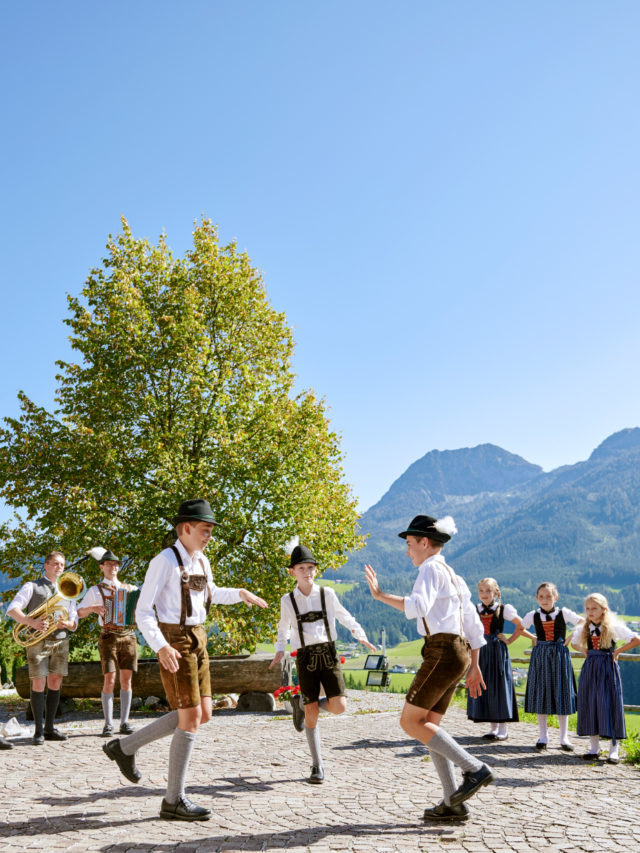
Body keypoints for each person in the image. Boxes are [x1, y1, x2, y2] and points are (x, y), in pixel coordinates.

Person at [102, 499, 267, 821]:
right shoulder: (163, 561)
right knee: (189, 717)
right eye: (205, 530)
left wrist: (240, 593)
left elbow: (210, 594)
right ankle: (173, 800)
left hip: (198, 638)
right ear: (186, 528)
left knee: (202, 714)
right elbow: (143, 611)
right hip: (174, 640)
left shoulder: (202, 561)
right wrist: (161, 646)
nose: (209, 536)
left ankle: (124, 748)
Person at [364, 514, 492, 823]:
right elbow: (473, 627)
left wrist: (380, 595)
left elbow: (418, 607)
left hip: (442, 651)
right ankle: (452, 802)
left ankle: (474, 769)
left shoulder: (430, 568)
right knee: (429, 725)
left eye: (409, 544)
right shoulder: (452, 573)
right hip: (458, 652)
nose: (407, 551)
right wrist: (474, 665)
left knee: (410, 722)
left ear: (424, 542)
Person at [269, 537, 376, 785]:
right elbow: (283, 628)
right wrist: (279, 649)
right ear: (292, 572)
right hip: (305, 657)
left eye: (311, 568)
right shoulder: (288, 600)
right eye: (301, 568)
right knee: (312, 712)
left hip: (328, 654)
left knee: (339, 706)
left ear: (316, 570)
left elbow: (344, 616)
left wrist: (360, 636)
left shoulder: (327, 594)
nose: (307, 572)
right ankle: (317, 765)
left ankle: (304, 706)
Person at [7, 551, 77, 745]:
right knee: (38, 684)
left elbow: (73, 616)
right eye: (55, 564)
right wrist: (31, 622)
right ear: (45, 565)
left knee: (55, 683)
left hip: (61, 640)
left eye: (62, 565)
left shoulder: (68, 589)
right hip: (38, 642)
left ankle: (49, 728)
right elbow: (13, 609)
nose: (59, 568)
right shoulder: (32, 586)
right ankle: (38, 731)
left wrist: (70, 624)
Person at [571, 593, 640, 763]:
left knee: (610, 704)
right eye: (587, 608)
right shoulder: (585, 627)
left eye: (594, 608)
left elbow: (636, 639)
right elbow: (573, 642)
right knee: (591, 703)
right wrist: (585, 651)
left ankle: (613, 750)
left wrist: (617, 652)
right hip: (590, 668)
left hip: (608, 668)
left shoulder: (613, 626)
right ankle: (594, 748)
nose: (590, 612)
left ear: (604, 609)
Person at [77, 549, 138, 736]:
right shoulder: (96, 590)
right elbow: (79, 612)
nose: (113, 567)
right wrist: (93, 608)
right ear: (101, 567)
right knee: (110, 678)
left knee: (127, 679)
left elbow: (142, 609)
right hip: (108, 637)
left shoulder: (131, 589)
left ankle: (125, 722)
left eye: (116, 564)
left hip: (129, 637)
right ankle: (108, 723)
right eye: (109, 564)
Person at [520, 582, 581, 751]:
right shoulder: (533, 615)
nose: (545, 600)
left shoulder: (564, 613)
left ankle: (564, 738)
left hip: (560, 656)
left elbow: (583, 622)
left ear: (556, 597)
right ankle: (543, 736)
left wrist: (570, 637)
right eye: (541, 596)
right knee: (542, 692)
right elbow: (520, 627)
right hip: (541, 656)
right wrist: (534, 637)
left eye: (549, 596)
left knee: (562, 693)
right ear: (537, 598)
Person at [467, 577, 523, 740]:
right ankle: (493, 728)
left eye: (488, 591)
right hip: (480, 651)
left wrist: (509, 640)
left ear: (495, 592)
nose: (484, 594)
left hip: (497, 651)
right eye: (481, 591)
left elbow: (521, 625)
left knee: (499, 686)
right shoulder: (474, 609)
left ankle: (503, 729)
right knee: (486, 686)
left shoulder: (503, 609)